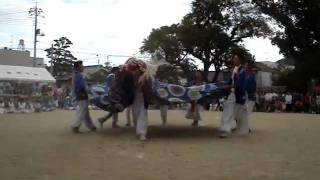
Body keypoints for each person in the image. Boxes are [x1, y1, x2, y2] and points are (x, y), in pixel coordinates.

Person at [219, 53, 248, 137]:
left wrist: (228, 86)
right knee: (229, 112)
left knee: (238, 113)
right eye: (233, 59)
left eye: (235, 59)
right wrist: (224, 83)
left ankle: (239, 128)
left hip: (237, 93)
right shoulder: (235, 69)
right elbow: (231, 81)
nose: (233, 60)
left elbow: (239, 84)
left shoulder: (242, 70)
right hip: (232, 94)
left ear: (240, 60)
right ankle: (225, 130)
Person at [71, 61, 96, 133]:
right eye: (81, 66)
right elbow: (81, 86)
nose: (83, 67)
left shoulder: (76, 75)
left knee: (85, 111)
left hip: (80, 94)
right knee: (82, 111)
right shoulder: (79, 75)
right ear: (77, 68)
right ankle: (75, 125)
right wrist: (87, 88)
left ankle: (91, 126)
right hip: (82, 94)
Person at [245, 62, 257, 130]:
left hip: (250, 96)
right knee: (244, 112)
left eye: (246, 66)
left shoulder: (252, 76)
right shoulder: (246, 76)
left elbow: (252, 87)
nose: (245, 67)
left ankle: (246, 126)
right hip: (245, 96)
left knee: (247, 112)